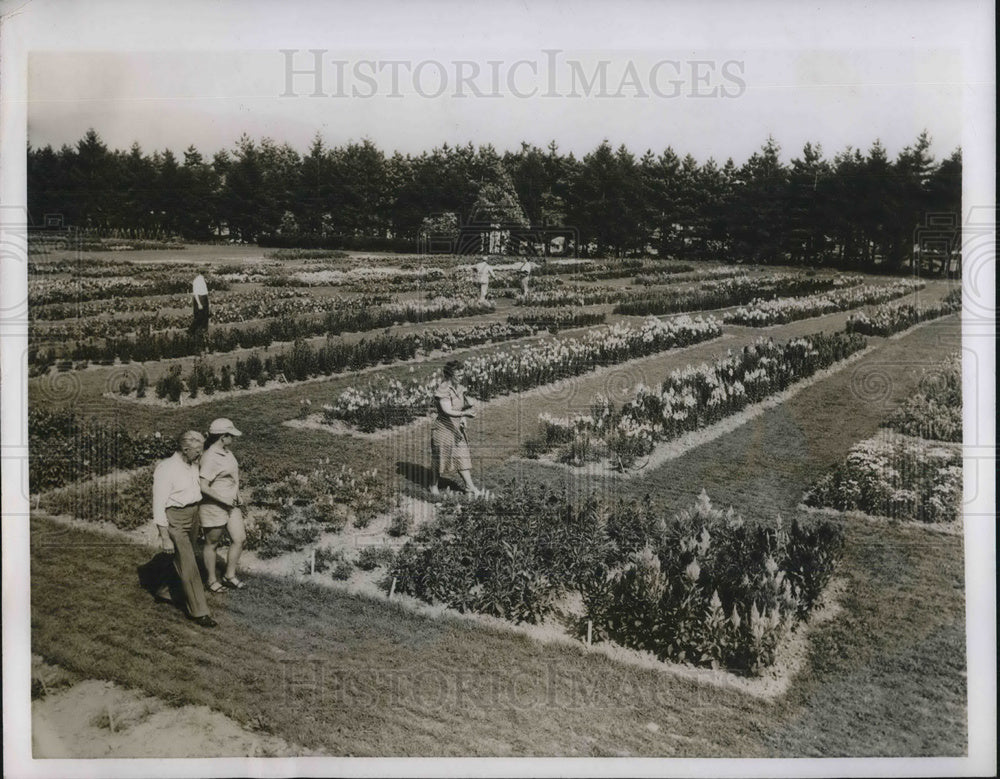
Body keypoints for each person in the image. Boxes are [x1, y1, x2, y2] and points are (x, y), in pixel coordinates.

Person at [151, 430, 216, 627]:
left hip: (193, 515)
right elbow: (158, 505)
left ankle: (164, 590)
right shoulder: (166, 469)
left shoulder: (191, 464)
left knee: (179, 558)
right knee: (188, 563)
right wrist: (164, 536)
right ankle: (199, 611)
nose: (200, 454)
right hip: (175, 519)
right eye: (197, 451)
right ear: (185, 448)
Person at [199, 418, 248, 592]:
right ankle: (211, 581)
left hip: (231, 504)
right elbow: (203, 486)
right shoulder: (210, 457)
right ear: (222, 437)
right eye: (230, 435)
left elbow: (231, 478)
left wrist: (237, 495)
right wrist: (224, 500)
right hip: (213, 506)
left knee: (239, 539)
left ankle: (229, 575)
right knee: (212, 543)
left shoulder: (226, 452)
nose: (233, 439)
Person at [430, 360, 481, 497]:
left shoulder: (459, 387)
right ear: (450, 374)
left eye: (462, 372)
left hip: (456, 428)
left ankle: (470, 487)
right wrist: (465, 414)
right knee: (439, 459)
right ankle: (433, 485)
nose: (461, 375)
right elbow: (447, 410)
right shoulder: (443, 389)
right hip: (443, 428)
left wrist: (463, 418)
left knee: (462, 456)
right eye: (457, 373)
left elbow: (461, 405)